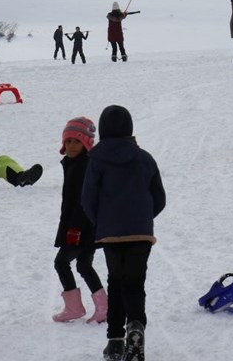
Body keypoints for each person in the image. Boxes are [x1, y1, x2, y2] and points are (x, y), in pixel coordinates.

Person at [82, 105, 166, 361]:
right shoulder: (145, 158)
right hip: (141, 233)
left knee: (116, 282)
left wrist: (102, 222)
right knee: (135, 283)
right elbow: (159, 198)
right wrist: (141, 219)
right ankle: (136, 328)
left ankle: (115, 341)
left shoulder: (96, 160)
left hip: (110, 234)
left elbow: (88, 199)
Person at [52, 117, 107, 324]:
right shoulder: (74, 164)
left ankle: (75, 307)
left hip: (80, 228)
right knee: (84, 264)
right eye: (68, 141)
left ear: (86, 144)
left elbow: (83, 201)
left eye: (76, 141)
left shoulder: (83, 166)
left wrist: (74, 228)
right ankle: (103, 307)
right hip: (86, 227)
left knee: (61, 262)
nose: (71, 146)